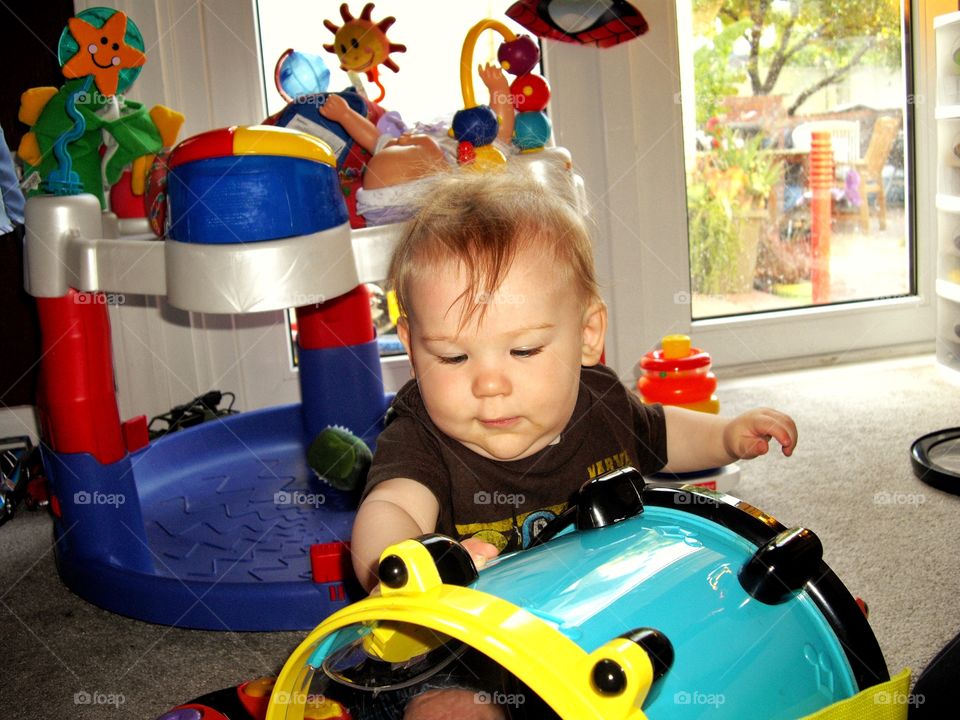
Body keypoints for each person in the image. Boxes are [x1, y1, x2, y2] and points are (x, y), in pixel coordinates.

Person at [350, 168, 798, 718]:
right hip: (462, 650)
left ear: (588, 335)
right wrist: (406, 567)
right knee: (450, 711)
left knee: (720, 650)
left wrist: (725, 435)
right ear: (412, 347)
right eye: (453, 357)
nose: (489, 383)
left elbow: (660, 435)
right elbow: (391, 505)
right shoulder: (421, 433)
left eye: (525, 351)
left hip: (598, 622)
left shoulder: (602, 401)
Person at [319, 63, 515, 224]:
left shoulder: (476, 152)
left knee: (417, 146)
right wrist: (344, 114)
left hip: (383, 204)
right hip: (408, 198)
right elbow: (375, 140)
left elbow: (499, 136)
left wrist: (345, 115)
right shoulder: (440, 148)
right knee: (418, 145)